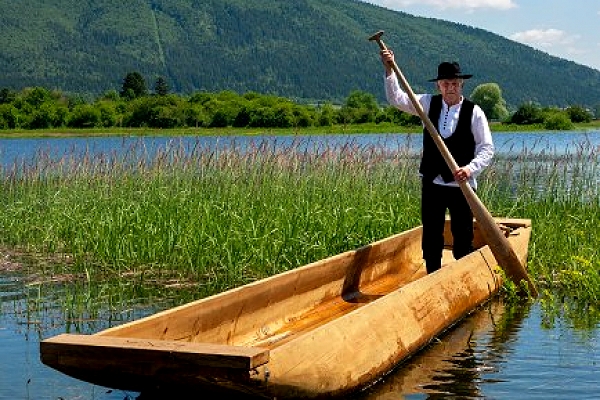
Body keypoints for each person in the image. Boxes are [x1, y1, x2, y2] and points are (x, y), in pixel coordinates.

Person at [380, 50, 494, 274]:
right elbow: (397, 99)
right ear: (438, 86)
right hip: (432, 182)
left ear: (461, 85)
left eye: (454, 83)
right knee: (432, 233)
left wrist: (470, 169)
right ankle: (432, 275)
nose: (450, 87)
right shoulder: (425, 103)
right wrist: (389, 69)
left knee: (463, 235)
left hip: (461, 185)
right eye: (445, 83)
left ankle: (463, 276)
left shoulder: (474, 112)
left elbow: (487, 148)